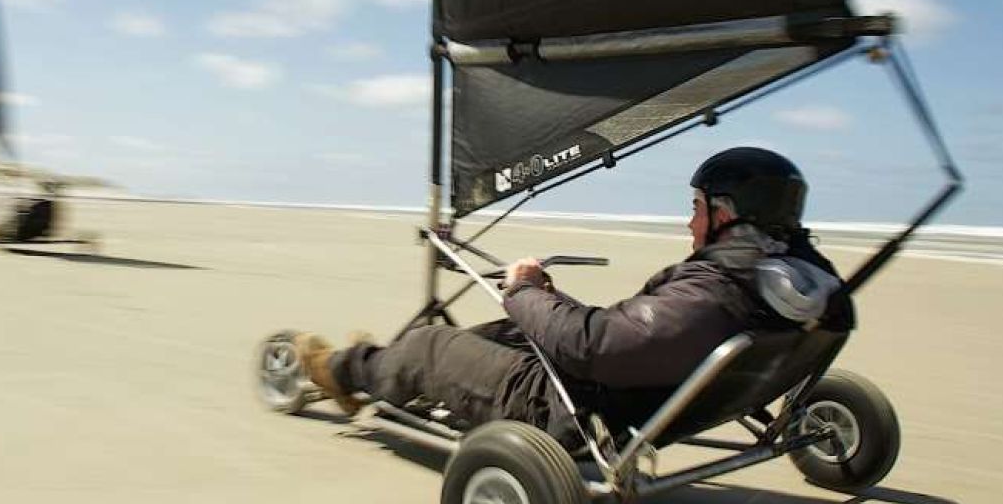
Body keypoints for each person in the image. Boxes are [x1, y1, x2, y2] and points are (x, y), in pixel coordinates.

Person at [294, 147, 856, 449]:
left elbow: (596, 346)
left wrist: (521, 289)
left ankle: (343, 372)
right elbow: (626, 338)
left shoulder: (714, 291)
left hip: (576, 412)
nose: (691, 223)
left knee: (430, 344)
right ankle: (406, 376)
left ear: (725, 214)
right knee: (516, 330)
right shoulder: (807, 288)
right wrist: (543, 301)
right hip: (649, 388)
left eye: (697, 208)